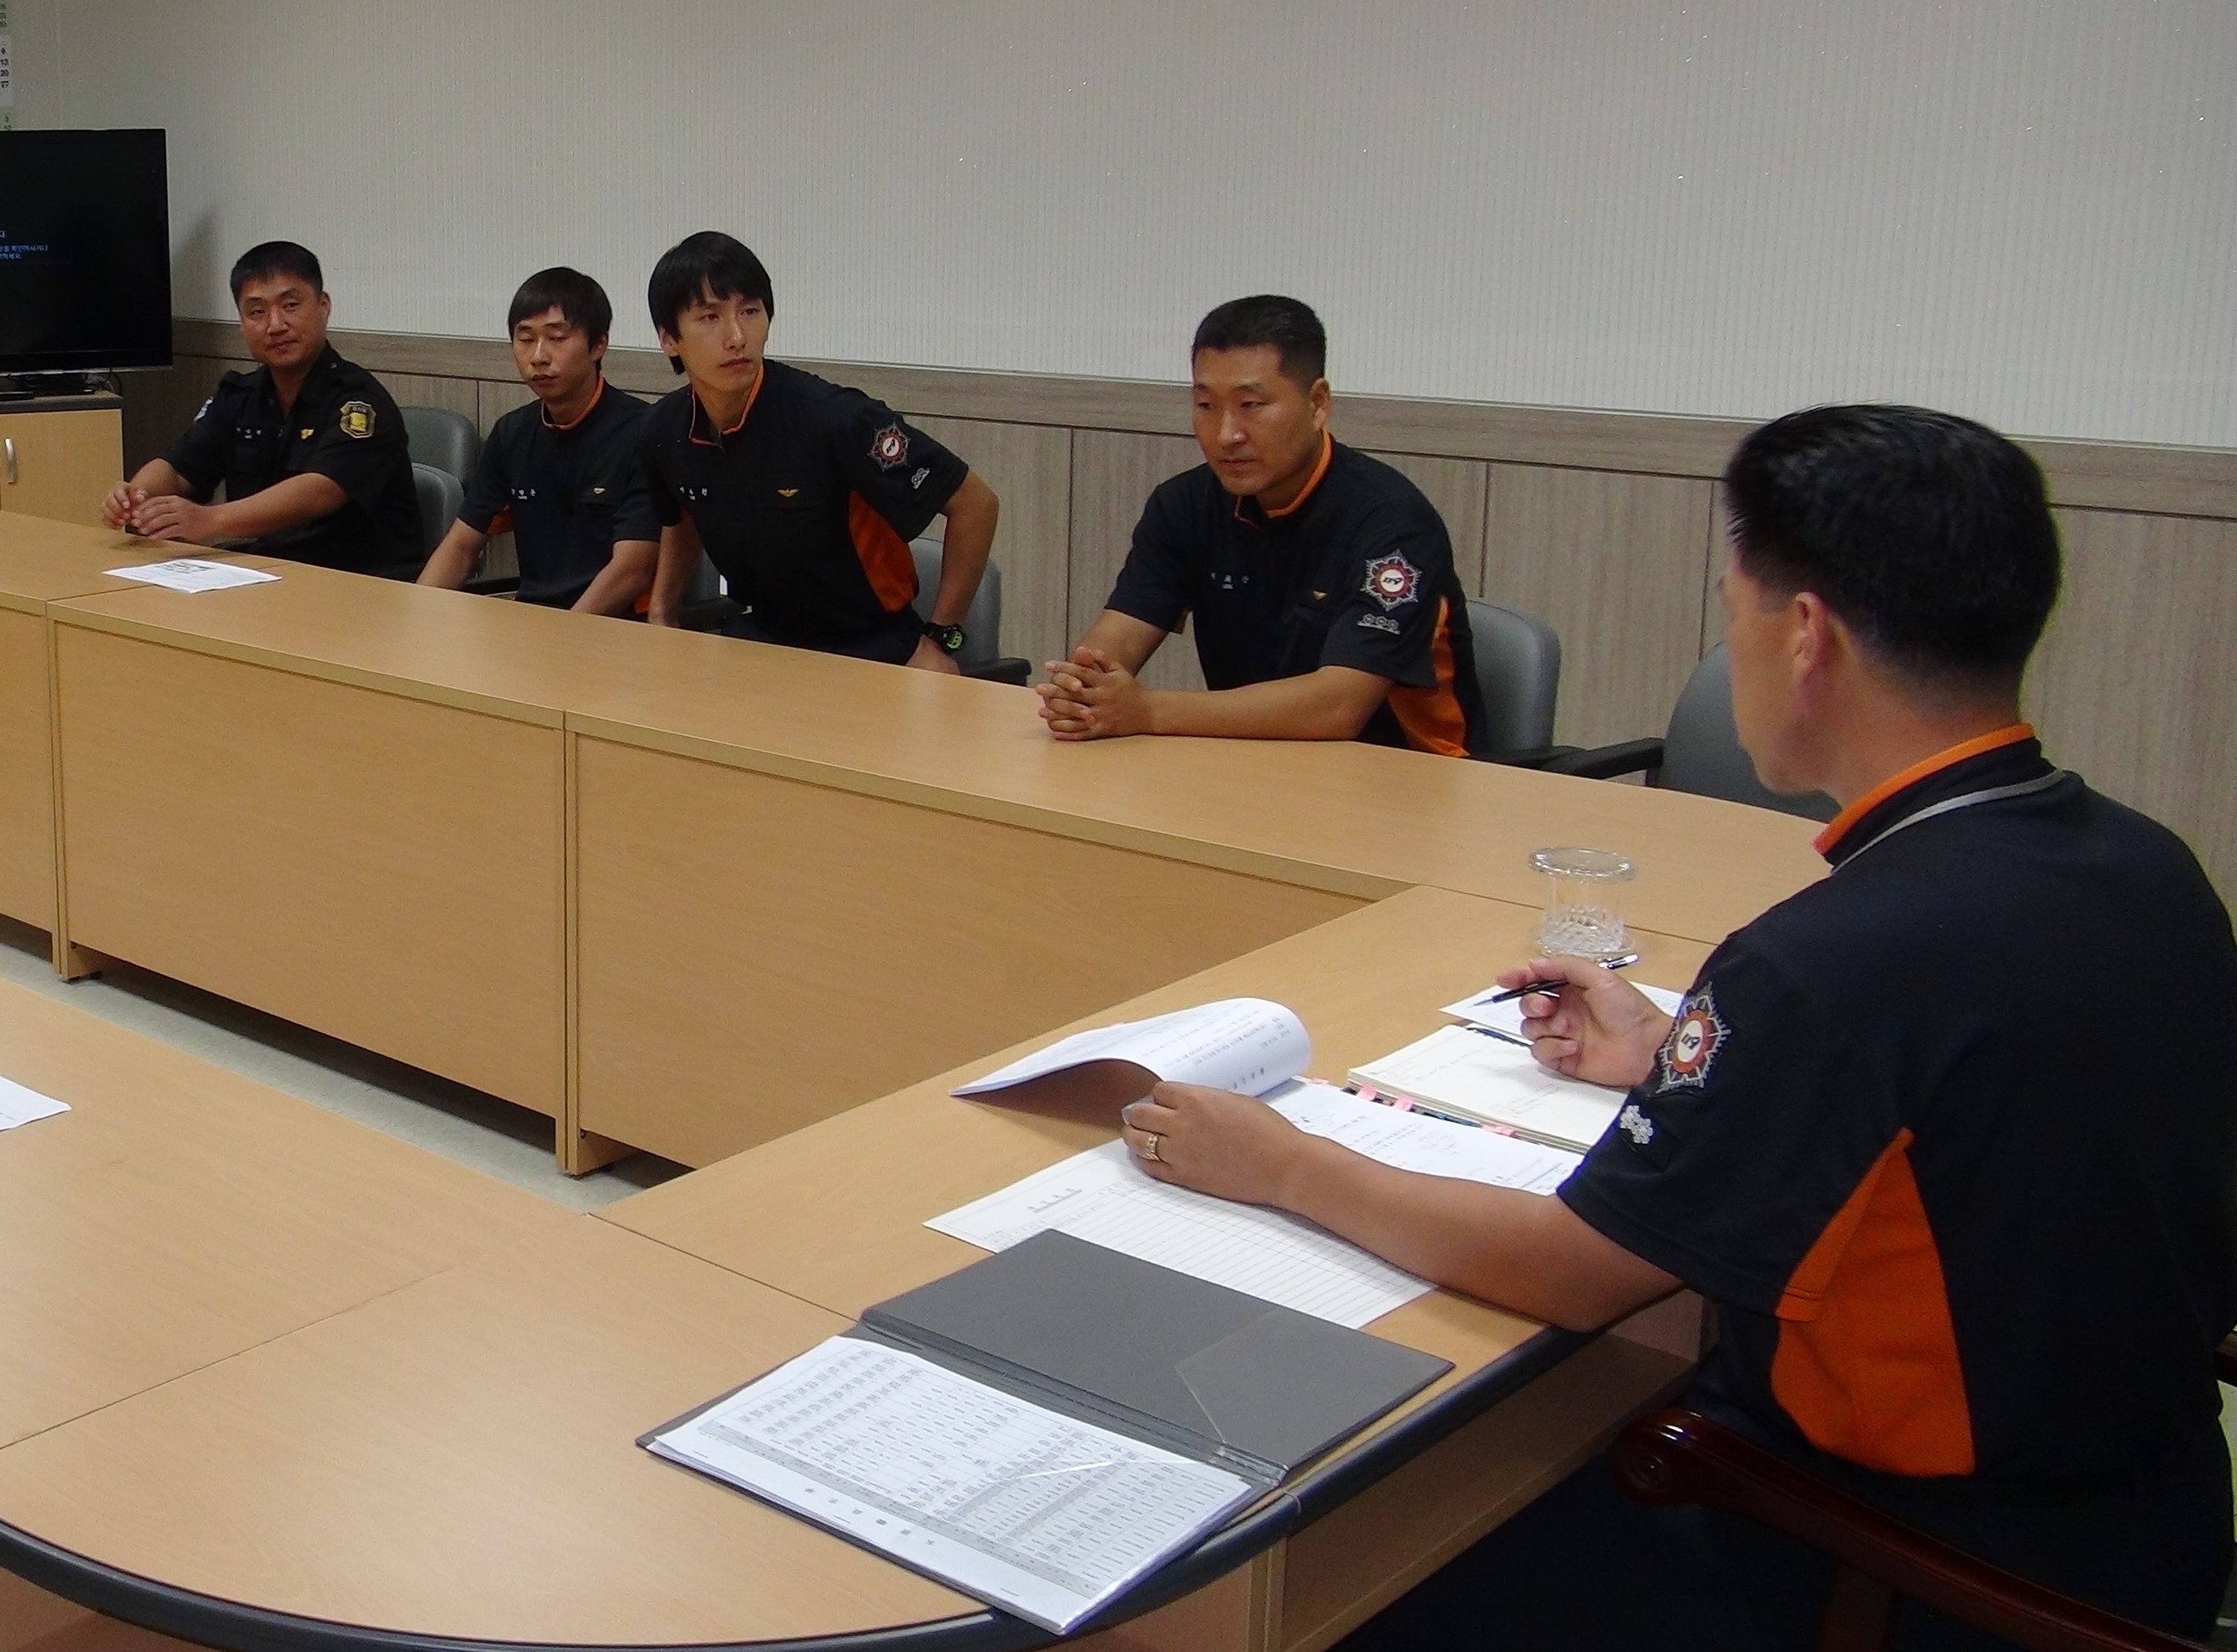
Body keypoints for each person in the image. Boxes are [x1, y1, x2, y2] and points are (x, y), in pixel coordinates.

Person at [1118, 405, 2237, 1650]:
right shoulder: (2151, 866)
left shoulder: (1828, 963)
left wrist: (1282, 1164)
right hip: (2156, 1517)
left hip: (1915, 1567)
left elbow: (1572, 1270)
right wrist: (1678, 1060)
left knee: (1351, 1570)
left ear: (1804, 635)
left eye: (1731, 608)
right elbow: (1984, 1121)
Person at [1041, 295, 1485, 753]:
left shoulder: (1393, 522)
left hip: (1410, 773)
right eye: (1206, 405)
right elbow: (1116, 638)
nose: (1226, 434)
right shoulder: (1184, 505)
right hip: (1254, 757)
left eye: (1250, 405)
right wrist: (1084, 690)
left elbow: (1340, 706)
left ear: (1317, 403)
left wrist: (1148, 711)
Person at [634, 232, 999, 670]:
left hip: (872, 647)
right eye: (710, 317)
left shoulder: (836, 419)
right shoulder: (662, 429)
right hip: (764, 638)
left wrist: (941, 639)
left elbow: (976, 505)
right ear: (669, 339)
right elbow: (683, 514)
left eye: (750, 311)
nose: (737, 336)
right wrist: (662, 615)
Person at [101, 241, 427, 577]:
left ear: (323, 306)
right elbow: (180, 467)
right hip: (265, 572)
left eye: (290, 305)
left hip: (357, 582)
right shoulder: (238, 397)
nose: (275, 325)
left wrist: (211, 520)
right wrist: (136, 496)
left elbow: (320, 491)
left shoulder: (360, 403)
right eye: (257, 312)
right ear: (242, 323)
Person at [415, 268, 660, 615]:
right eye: (526, 339)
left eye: (557, 338)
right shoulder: (511, 433)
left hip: (616, 628)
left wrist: (560, 634)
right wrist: (417, 614)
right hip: (533, 622)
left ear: (599, 344)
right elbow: (460, 548)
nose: (538, 357)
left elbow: (632, 571)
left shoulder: (643, 433)